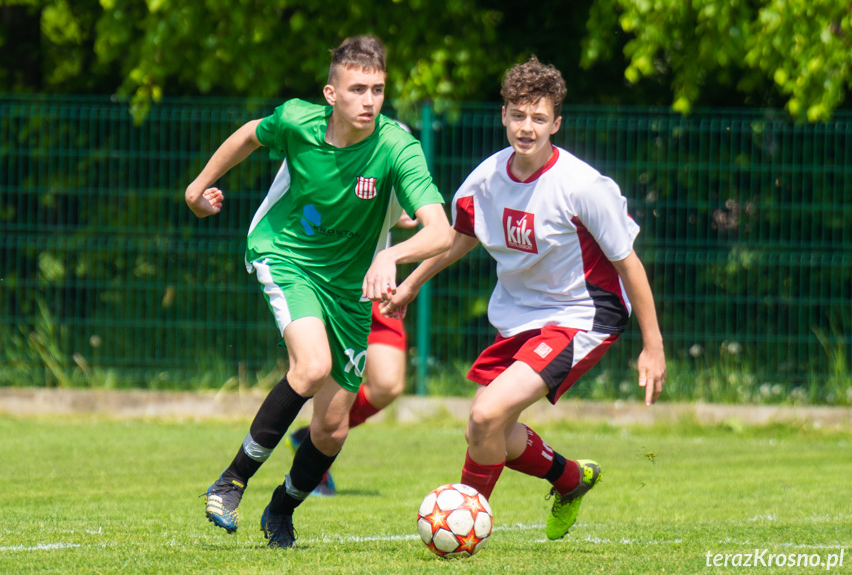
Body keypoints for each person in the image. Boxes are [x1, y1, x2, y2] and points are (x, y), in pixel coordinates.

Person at [381, 56, 666, 541]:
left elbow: (628, 263)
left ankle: (465, 524)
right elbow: (459, 237)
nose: (527, 127)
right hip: (517, 318)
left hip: (581, 316)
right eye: (518, 114)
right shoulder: (486, 180)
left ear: (556, 123)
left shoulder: (583, 187)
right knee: (488, 431)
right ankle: (572, 479)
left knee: (485, 413)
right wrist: (411, 284)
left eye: (538, 117)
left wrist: (653, 344)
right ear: (504, 116)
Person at [185, 35, 449, 549]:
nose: (369, 100)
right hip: (285, 255)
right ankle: (231, 481)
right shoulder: (297, 121)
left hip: (350, 288)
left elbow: (438, 231)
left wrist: (390, 256)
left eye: (377, 89)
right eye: (357, 89)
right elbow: (250, 135)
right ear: (332, 94)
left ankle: (281, 508)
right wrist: (198, 188)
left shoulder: (397, 146)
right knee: (310, 366)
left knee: (331, 429)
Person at [285, 213, 416, 497]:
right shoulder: (323, 168)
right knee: (326, 377)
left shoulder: (388, 166)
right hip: (335, 287)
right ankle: (312, 470)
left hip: (377, 289)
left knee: (388, 386)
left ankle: (308, 437)